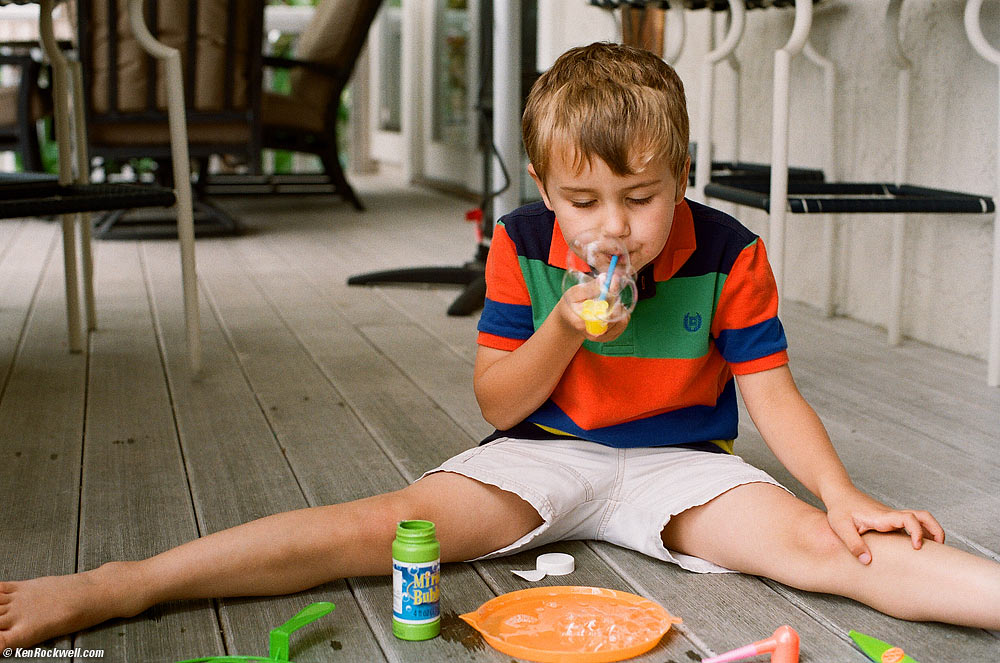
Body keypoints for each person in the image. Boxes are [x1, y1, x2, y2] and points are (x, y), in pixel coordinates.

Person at [2, 42, 999, 651]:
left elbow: (771, 393)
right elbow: (499, 409)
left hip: (685, 470)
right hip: (539, 452)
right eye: (583, 202)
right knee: (379, 525)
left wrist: (840, 493)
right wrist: (566, 321)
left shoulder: (730, 249)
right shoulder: (525, 244)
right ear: (542, 184)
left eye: (643, 198)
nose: (615, 226)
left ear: (682, 173)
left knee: (841, 550)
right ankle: (116, 585)